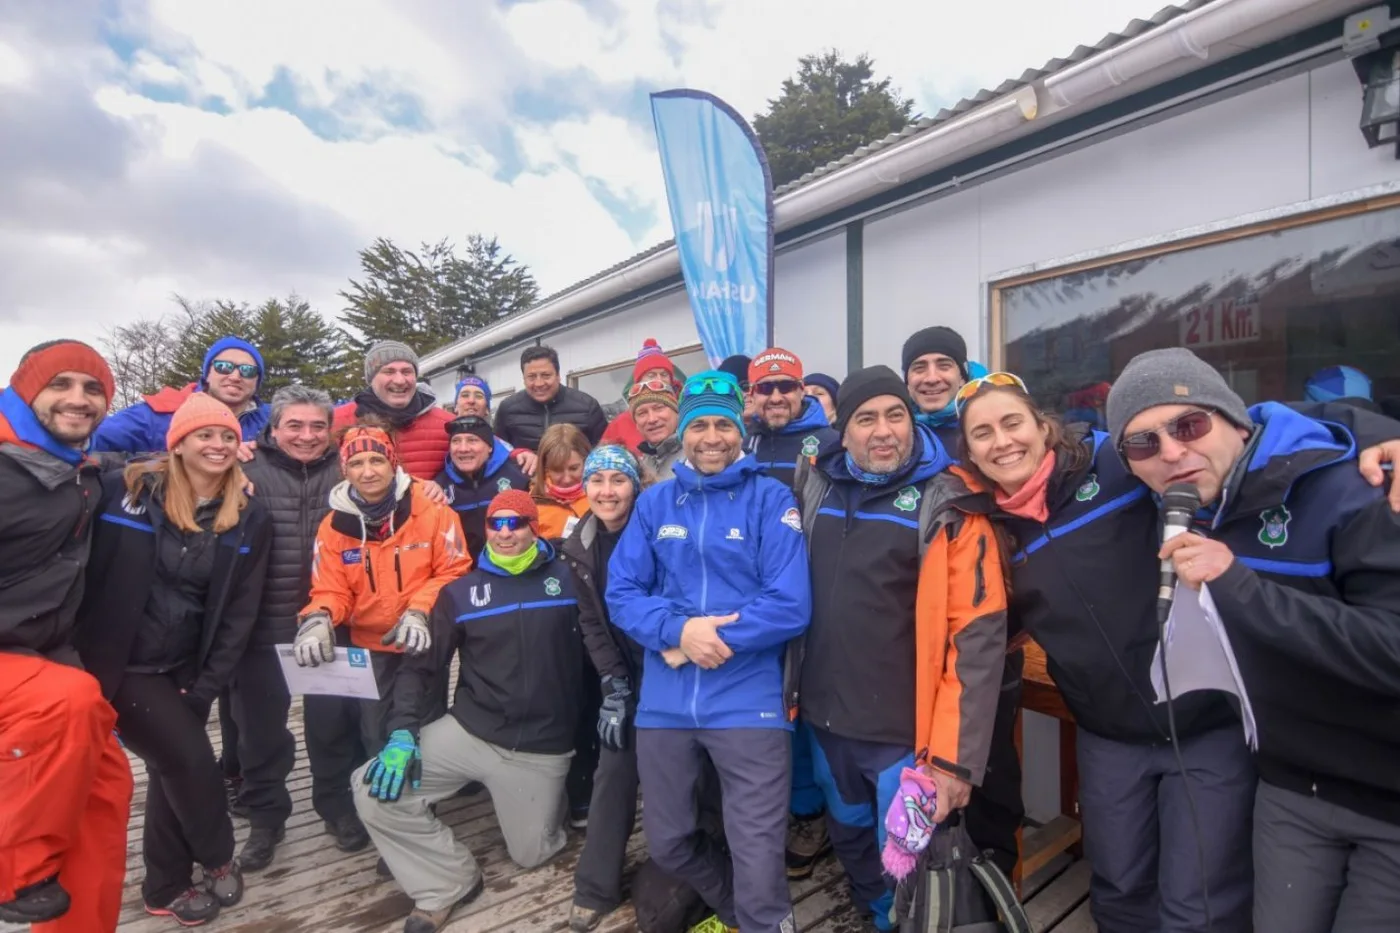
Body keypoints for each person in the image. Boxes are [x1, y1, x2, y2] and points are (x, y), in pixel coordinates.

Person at [954, 365, 1400, 933]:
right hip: (1107, 733)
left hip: (1205, 723)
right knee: (1118, 890)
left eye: (1012, 422)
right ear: (968, 451)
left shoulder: (1121, 465)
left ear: (1043, 426)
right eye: (983, 433)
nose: (1003, 441)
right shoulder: (988, 523)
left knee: (1201, 904)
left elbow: (1246, 432)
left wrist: (1367, 428)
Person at [1107, 349, 1400, 933]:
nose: (1170, 452)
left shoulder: (1360, 488)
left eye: (1188, 425)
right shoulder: (1195, 503)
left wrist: (1238, 585)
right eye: (1142, 444)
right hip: (1291, 786)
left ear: (1234, 422)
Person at [793, 366, 1018, 929]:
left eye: (896, 414)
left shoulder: (950, 501)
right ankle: (878, 914)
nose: (883, 430)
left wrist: (951, 760)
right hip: (825, 719)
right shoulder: (816, 483)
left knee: (909, 855)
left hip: (905, 733)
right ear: (841, 431)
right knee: (847, 832)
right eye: (866, 419)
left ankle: (908, 920)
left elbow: (978, 636)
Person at [609, 370, 812, 933]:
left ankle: (766, 923)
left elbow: (790, 603)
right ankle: (733, 913)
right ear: (684, 431)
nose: (712, 437)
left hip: (749, 702)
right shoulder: (655, 505)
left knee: (758, 850)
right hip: (666, 705)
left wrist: (709, 639)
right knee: (670, 842)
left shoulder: (771, 500)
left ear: (740, 429)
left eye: (724, 423)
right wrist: (678, 633)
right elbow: (622, 593)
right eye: (700, 425)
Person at [74, 393, 272, 926]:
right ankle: (218, 855)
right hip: (121, 663)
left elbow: (239, 610)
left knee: (168, 771)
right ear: (178, 442)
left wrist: (208, 684)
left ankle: (163, 885)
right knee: (190, 763)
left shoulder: (248, 514)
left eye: (228, 435)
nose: (218, 444)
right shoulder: (127, 490)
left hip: (189, 666)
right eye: (205, 434)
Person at [353, 490, 583, 933]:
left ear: (535, 527)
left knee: (532, 854)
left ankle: (550, 805)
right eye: (496, 523)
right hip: (472, 731)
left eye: (516, 523)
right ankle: (448, 881)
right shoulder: (462, 592)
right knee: (371, 789)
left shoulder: (571, 579)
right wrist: (402, 732)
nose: (505, 532)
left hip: (542, 744)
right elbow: (419, 668)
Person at [0, 341, 133, 932]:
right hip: (19, 665)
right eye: (61, 385)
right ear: (27, 390)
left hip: (45, 650)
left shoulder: (72, 467)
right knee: (70, 700)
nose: (78, 399)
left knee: (105, 786)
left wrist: (210, 459)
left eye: (93, 388)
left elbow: (111, 464)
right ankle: (12, 872)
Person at [291, 425, 471, 843]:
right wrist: (318, 618)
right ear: (344, 469)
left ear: (393, 463)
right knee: (376, 734)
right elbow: (330, 587)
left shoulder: (432, 510)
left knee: (422, 727)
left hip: (422, 637)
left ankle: (422, 814)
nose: (368, 471)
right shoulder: (334, 526)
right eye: (356, 462)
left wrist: (419, 610)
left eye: (376, 460)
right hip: (369, 645)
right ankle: (388, 816)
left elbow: (455, 568)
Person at [224, 386, 370, 871]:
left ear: (331, 429)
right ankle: (266, 817)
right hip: (262, 623)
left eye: (316, 426)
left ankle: (337, 807)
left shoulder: (347, 471)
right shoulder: (245, 470)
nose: (306, 436)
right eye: (295, 425)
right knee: (259, 732)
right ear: (273, 428)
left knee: (332, 725)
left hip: (332, 621)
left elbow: (398, 485)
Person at [565, 446, 647, 931]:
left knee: (682, 777)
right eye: (598, 481)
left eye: (618, 480)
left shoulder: (654, 529)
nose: (607, 491)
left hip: (668, 666)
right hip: (623, 670)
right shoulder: (581, 541)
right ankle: (595, 886)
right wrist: (613, 684)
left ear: (636, 485)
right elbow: (591, 623)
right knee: (612, 768)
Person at [92, 335, 270, 453]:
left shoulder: (276, 420)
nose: (235, 376)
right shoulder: (158, 414)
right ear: (207, 373)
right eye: (224, 367)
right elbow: (89, 443)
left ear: (257, 379)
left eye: (247, 370)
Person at [332, 341, 456, 479]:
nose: (399, 380)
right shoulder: (334, 423)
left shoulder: (448, 425)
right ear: (371, 379)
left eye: (407, 371)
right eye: (389, 371)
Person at [435, 414, 530, 559]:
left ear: (490, 447)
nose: (463, 448)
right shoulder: (439, 487)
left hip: (514, 567)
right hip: (465, 573)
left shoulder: (519, 475)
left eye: (472, 440)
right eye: (456, 441)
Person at [493, 345, 609, 450]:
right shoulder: (507, 409)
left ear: (558, 376)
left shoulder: (587, 407)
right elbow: (498, 451)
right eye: (532, 377)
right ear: (524, 379)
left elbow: (603, 452)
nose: (539, 383)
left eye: (546, 375)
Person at [901, 326, 988, 449]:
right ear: (907, 382)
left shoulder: (989, 425)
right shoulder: (895, 434)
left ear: (962, 377)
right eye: (919, 368)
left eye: (944, 366)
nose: (932, 379)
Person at [601, 338, 682, 452]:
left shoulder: (687, 412)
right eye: (651, 375)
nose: (659, 379)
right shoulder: (620, 424)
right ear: (638, 380)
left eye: (664, 374)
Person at [453, 374, 539, 475]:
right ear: (455, 406)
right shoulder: (441, 438)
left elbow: (510, 453)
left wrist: (523, 454)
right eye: (465, 395)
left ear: (487, 410)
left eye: (479, 396)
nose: (471, 401)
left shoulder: (501, 446)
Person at [531, 422, 594, 543]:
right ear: (545, 467)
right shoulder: (532, 505)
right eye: (557, 470)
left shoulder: (601, 498)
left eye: (574, 468)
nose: (567, 479)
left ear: (586, 460)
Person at [628, 377, 682, 481]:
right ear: (637, 425)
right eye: (642, 413)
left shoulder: (696, 455)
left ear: (677, 412)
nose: (652, 419)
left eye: (658, 408)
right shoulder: (640, 467)